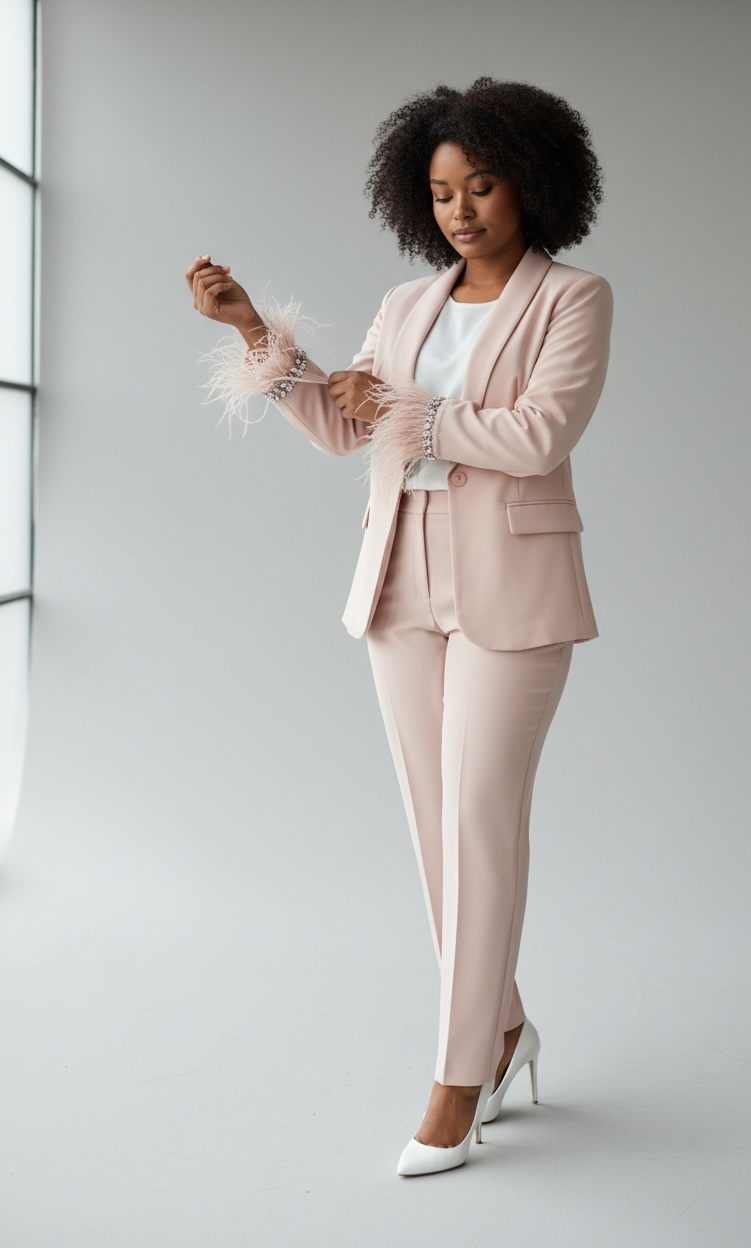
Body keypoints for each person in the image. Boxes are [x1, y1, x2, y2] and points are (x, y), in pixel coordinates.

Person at [185, 76, 613, 1177]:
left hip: (511, 582)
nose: (460, 209)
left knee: (480, 820)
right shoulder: (405, 306)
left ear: (533, 182)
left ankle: (457, 1079)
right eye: (440, 191)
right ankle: (504, 1030)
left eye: (482, 185)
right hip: (399, 574)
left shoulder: (574, 298)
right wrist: (253, 330)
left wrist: (412, 414)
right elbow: (345, 429)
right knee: (434, 827)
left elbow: (538, 435)